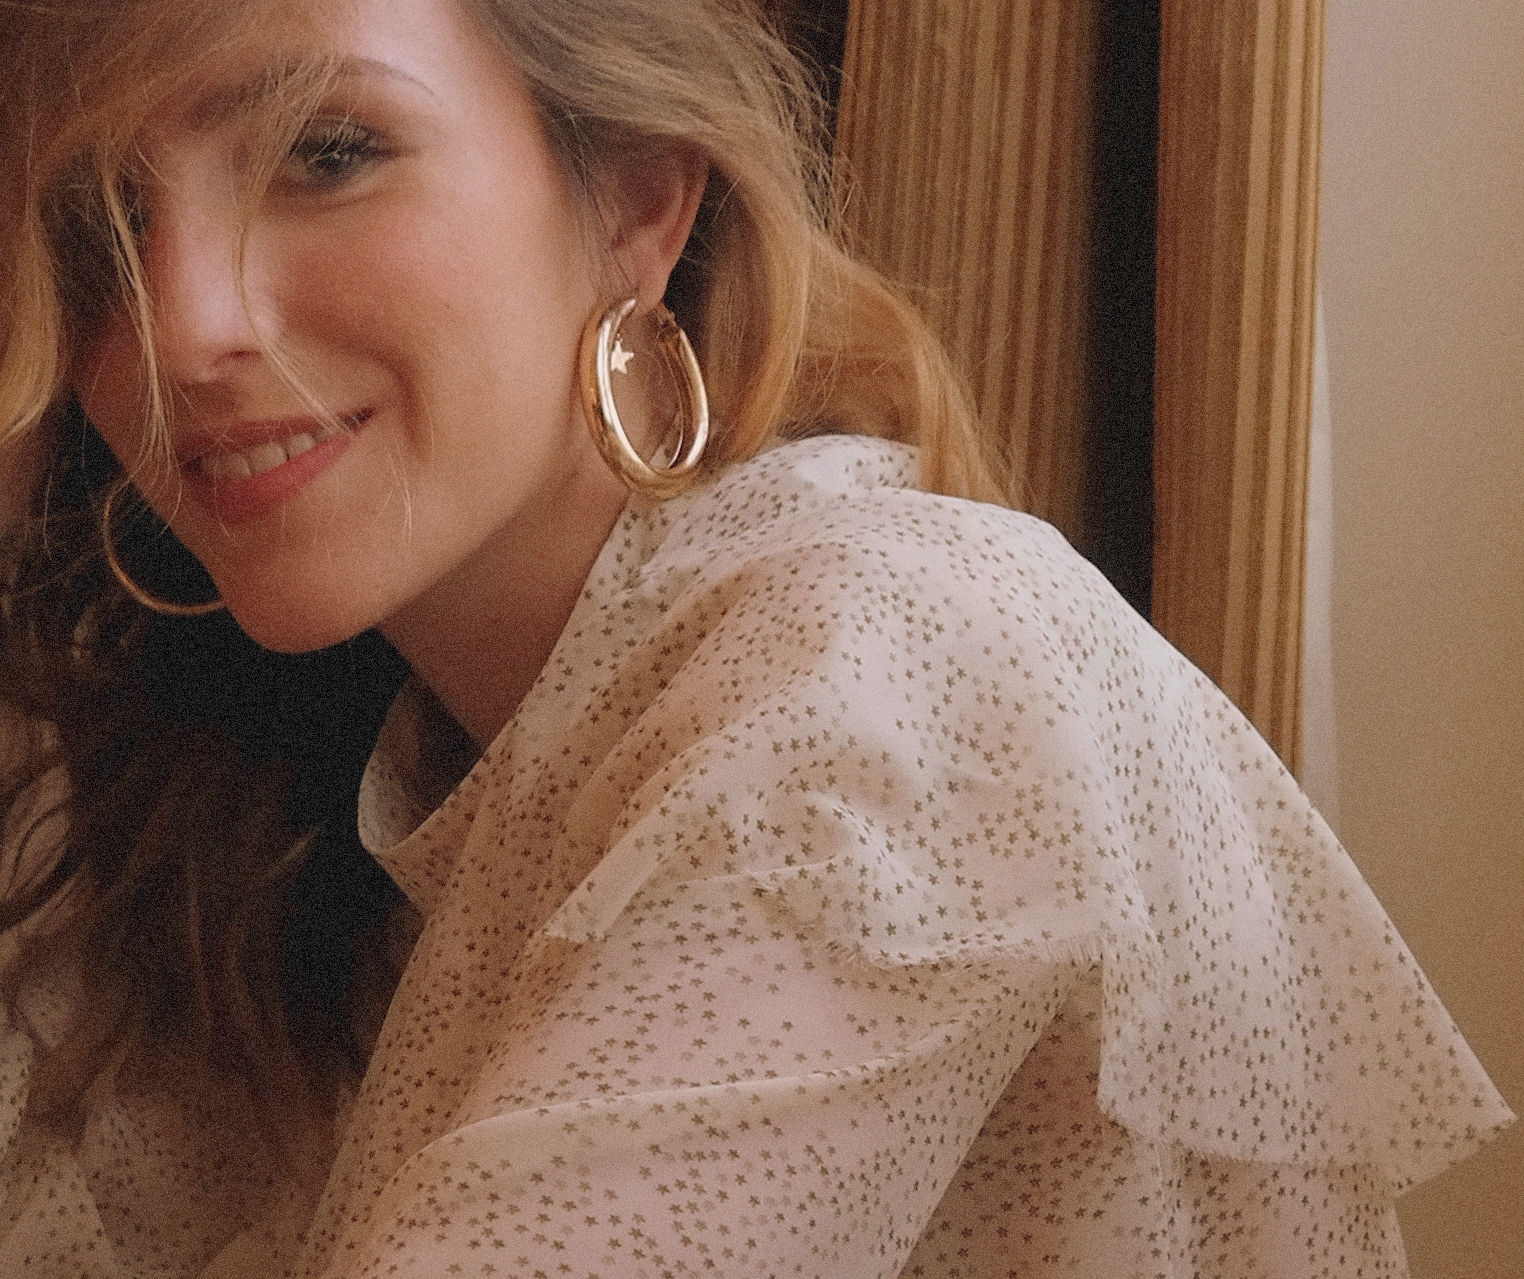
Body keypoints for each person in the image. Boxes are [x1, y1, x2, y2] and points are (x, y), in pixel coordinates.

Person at [0, 0, 1511, 1275]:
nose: (182, 325)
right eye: (96, 219)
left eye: (327, 155)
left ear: (638, 202)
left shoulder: (887, 663)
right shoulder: (329, 789)